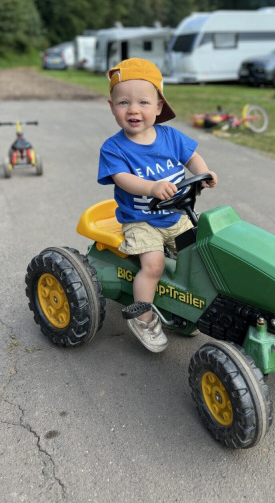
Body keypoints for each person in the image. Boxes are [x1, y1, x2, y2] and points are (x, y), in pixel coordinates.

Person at [98, 57, 218, 353]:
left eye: (143, 102)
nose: (134, 110)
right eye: (124, 103)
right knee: (154, 264)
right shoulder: (114, 148)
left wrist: (204, 173)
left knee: (200, 256)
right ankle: (144, 316)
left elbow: (192, 157)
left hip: (177, 215)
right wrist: (152, 187)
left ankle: (186, 305)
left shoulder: (170, 136)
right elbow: (122, 178)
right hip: (140, 219)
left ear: (159, 107)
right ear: (112, 107)